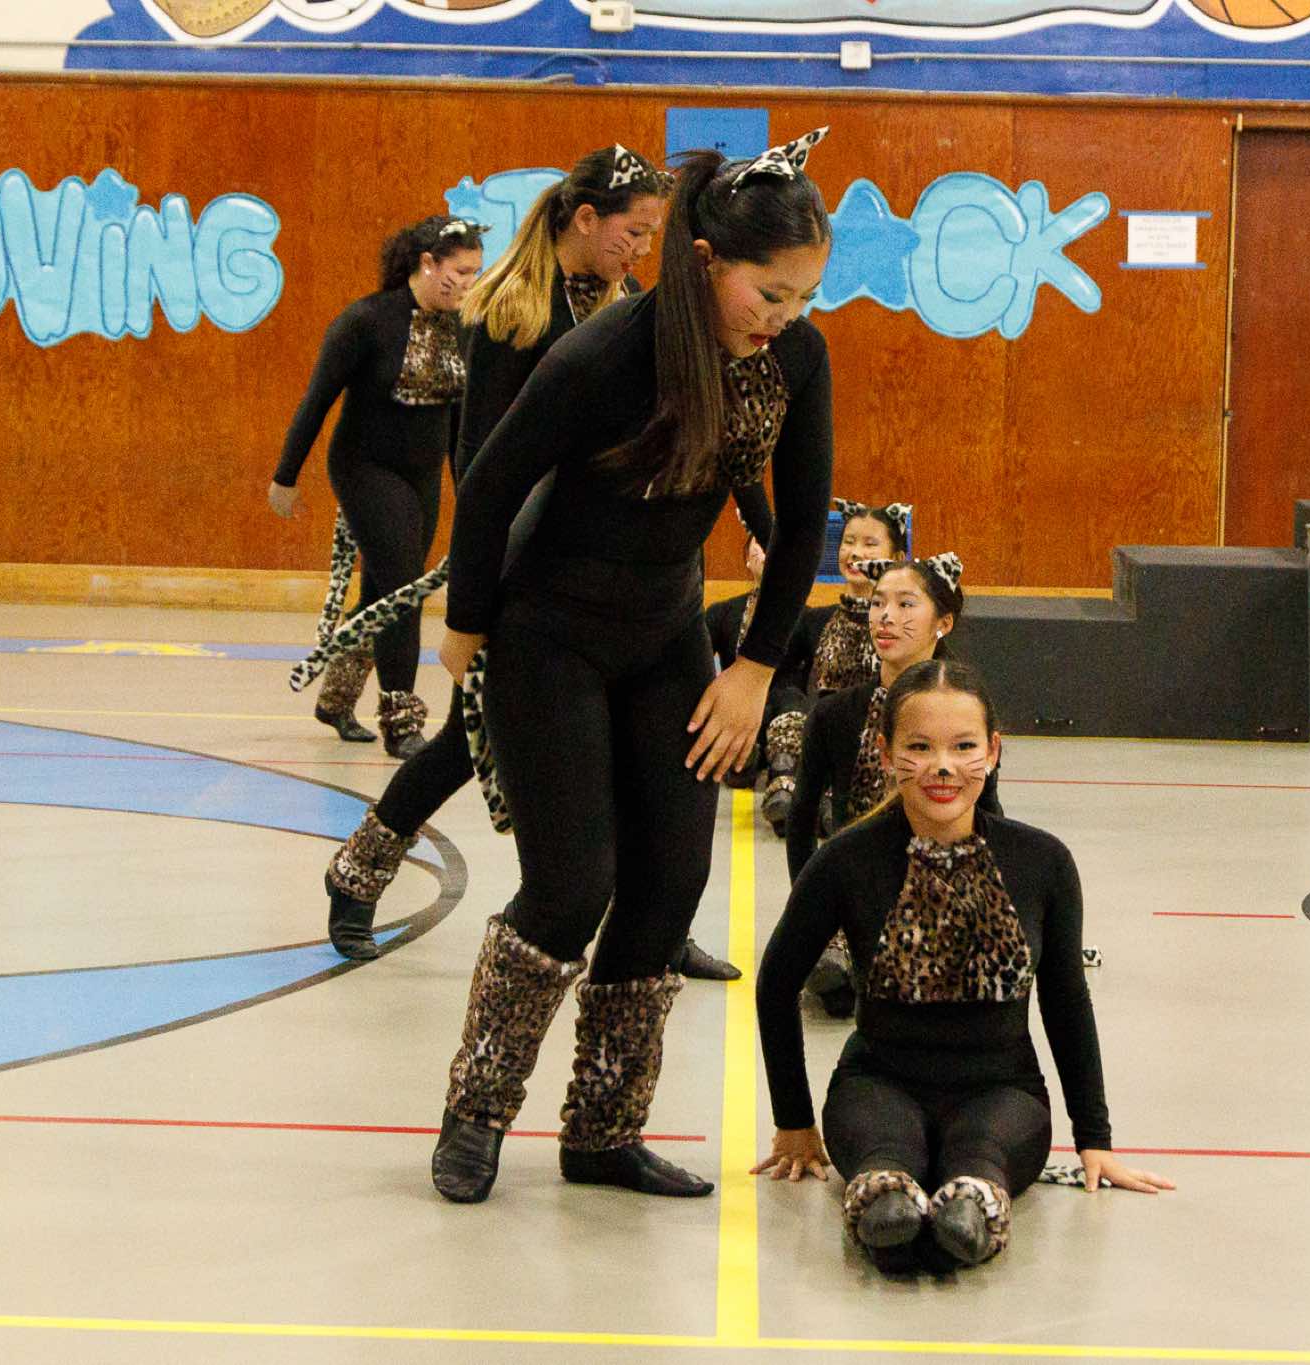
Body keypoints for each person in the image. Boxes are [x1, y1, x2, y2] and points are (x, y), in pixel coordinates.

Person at [428, 129, 836, 1205]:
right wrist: (467, 625)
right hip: (549, 632)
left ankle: (602, 1133)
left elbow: (802, 530)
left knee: (668, 883)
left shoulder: (796, 359)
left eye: (803, 297)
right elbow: (487, 483)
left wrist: (754, 668)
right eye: (769, 292)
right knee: (572, 885)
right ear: (705, 261)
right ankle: (475, 1109)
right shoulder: (606, 353)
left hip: (664, 635)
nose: (784, 316)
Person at [311, 148, 751, 981]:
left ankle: (655, 925)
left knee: (642, 760)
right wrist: (484, 590)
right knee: (462, 742)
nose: (642, 249)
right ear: (584, 220)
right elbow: (483, 461)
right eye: (632, 232)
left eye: (653, 235)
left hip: (624, 577)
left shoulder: (633, 310)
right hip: (529, 574)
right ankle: (358, 870)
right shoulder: (513, 313)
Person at [753, 660, 1173, 1275]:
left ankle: (974, 1202)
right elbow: (776, 984)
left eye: (964, 747)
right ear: (886, 753)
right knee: (887, 1168)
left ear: (993, 751)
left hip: (1003, 1096)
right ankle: (883, 1198)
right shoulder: (846, 860)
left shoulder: (1043, 861)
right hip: (877, 1087)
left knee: (978, 1162)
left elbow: (1065, 1000)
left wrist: (1095, 1138)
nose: (943, 767)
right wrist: (793, 1122)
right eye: (920, 748)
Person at [270, 215, 486, 758]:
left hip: (421, 476)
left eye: (475, 273)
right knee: (403, 592)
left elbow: (458, 420)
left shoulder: (461, 327)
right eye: (460, 272)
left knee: (383, 592)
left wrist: (469, 490)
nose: (468, 283)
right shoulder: (365, 322)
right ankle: (401, 718)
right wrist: (285, 477)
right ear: (427, 264)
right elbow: (316, 400)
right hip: (364, 468)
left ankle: (337, 699)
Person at [786, 553, 997, 1018]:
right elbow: (802, 820)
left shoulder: (968, 710)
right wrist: (811, 908)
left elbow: (989, 814)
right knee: (844, 994)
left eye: (905, 604)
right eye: (879, 603)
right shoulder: (835, 713)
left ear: (943, 623)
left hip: (943, 883)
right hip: (859, 885)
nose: (885, 616)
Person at [760, 500, 911, 835]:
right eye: (848, 542)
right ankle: (788, 788)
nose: (855, 553)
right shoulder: (815, 620)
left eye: (870, 544)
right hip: (820, 735)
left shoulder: (903, 626)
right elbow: (781, 677)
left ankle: (837, 799)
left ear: (897, 557)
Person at [704, 526, 767, 791]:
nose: (768, 551)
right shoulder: (722, 612)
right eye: (761, 544)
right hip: (735, 702)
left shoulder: (806, 615)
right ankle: (743, 762)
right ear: (747, 559)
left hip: (784, 705)